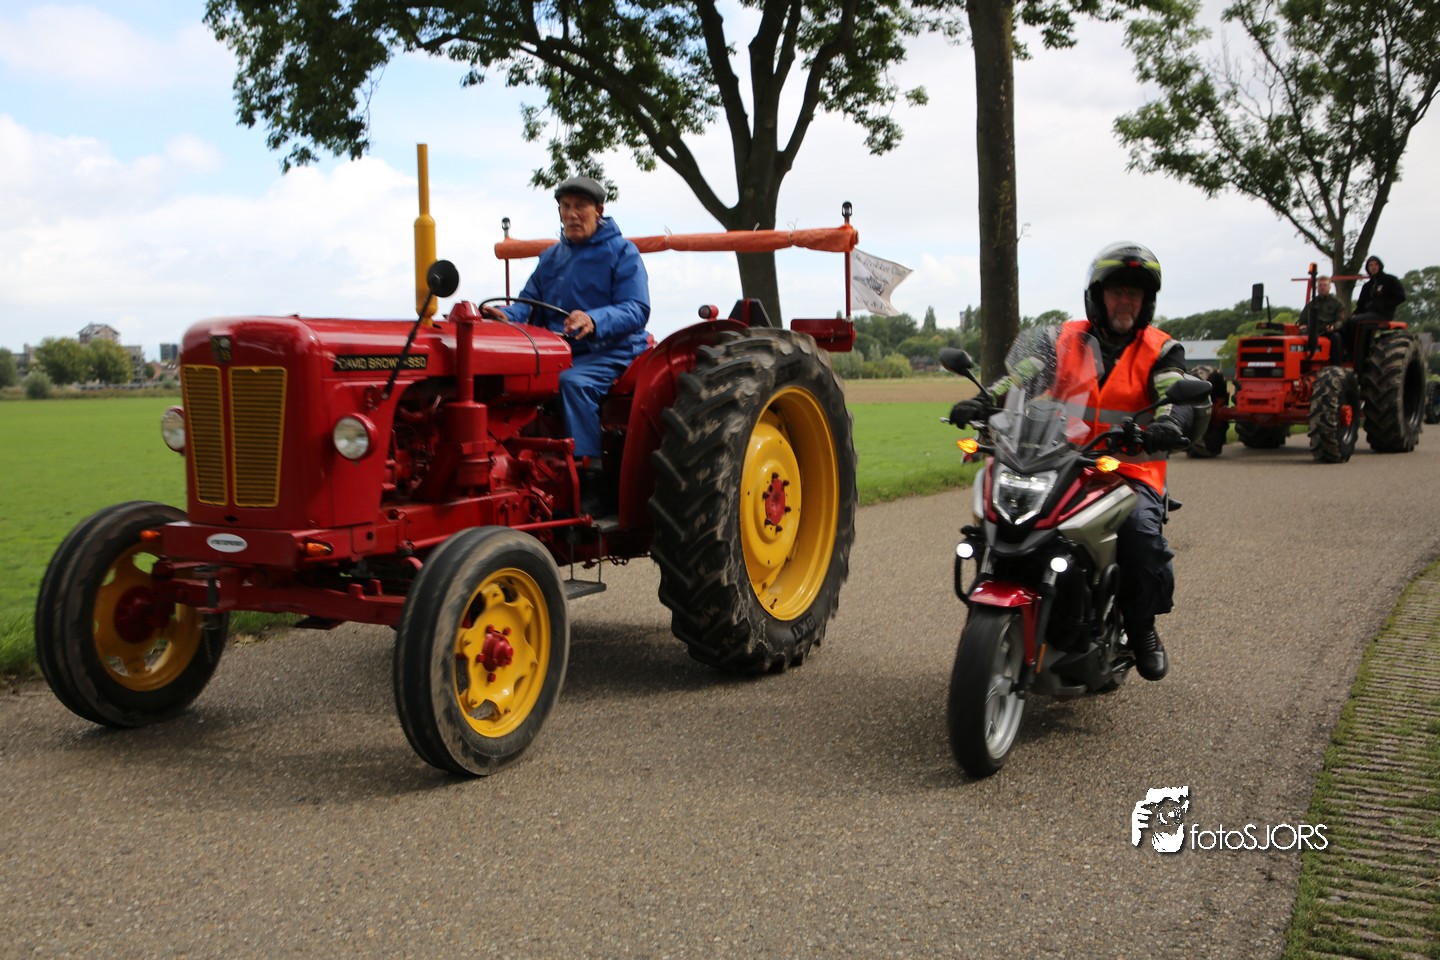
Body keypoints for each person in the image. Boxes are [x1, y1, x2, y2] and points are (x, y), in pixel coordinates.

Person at [948, 241, 1203, 681]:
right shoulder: (1063, 339)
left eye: (1134, 294)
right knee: (1005, 517)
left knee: (1140, 536)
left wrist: (1169, 423)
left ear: (1146, 302)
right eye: (1117, 292)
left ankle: (1142, 628)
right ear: (1098, 296)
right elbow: (1021, 376)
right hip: (1061, 458)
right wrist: (985, 400)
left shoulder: (1161, 350)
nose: (1125, 301)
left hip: (1128, 470)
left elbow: (1175, 394)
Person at [482, 175, 651, 514]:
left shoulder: (622, 253)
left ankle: (591, 478)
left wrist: (594, 319)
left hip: (612, 350)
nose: (572, 214)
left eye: (580, 207)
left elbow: (636, 309)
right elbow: (527, 305)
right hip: (561, 352)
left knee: (572, 383)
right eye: (565, 207)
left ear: (598, 210)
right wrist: (505, 315)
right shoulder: (551, 258)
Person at [1342, 255, 1406, 359]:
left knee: (1354, 322)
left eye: (1376, 265)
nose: (1373, 267)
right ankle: (1347, 350)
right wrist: (1354, 314)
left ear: (1380, 266)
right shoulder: (1367, 286)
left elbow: (1401, 297)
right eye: (1371, 265)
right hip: (1368, 313)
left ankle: (1352, 352)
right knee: (1347, 322)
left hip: (1382, 314)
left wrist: (1386, 305)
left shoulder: (1390, 280)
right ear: (1368, 268)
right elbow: (1361, 304)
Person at [1298, 275, 1345, 360]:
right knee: (1299, 338)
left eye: (1325, 285)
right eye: (1320, 285)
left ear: (1329, 287)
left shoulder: (1337, 303)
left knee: (1336, 337)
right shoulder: (1311, 304)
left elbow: (1340, 321)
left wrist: (1333, 327)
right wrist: (1303, 325)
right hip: (1312, 332)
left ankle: (1336, 364)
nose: (1322, 287)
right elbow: (1303, 320)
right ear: (1317, 287)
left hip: (1328, 332)